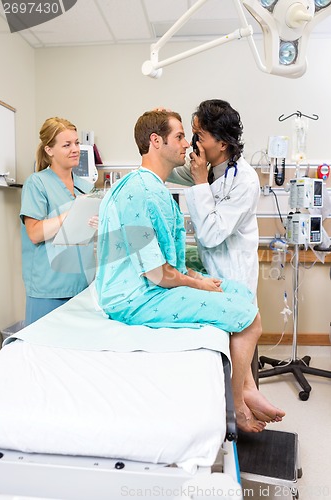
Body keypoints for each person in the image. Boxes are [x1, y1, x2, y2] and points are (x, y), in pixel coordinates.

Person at [96, 110, 285, 433]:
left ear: (222, 143)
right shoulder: (139, 191)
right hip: (135, 296)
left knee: (243, 300)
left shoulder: (157, 188)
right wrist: (195, 283)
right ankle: (238, 401)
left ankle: (245, 391)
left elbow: (169, 259)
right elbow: (156, 272)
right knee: (246, 313)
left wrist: (194, 278)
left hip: (167, 280)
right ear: (156, 141)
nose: (189, 144)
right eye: (182, 136)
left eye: (195, 136)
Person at [168, 99, 260, 296]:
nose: (193, 144)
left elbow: (211, 235)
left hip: (234, 275)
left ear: (223, 143)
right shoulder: (208, 167)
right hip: (211, 273)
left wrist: (201, 182)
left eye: (199, 137)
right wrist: (161, 129)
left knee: (242, 326)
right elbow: (166, 169)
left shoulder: (245, 181)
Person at [20, 117, 96, 326]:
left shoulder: (85, 188)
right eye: (67, 144)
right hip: (49, 289)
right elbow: (34, 233)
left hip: (82, 286)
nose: (75, 149)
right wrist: (70, 214)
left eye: (77, 143)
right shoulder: (37, 184)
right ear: (49, 150)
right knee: (43, 352)